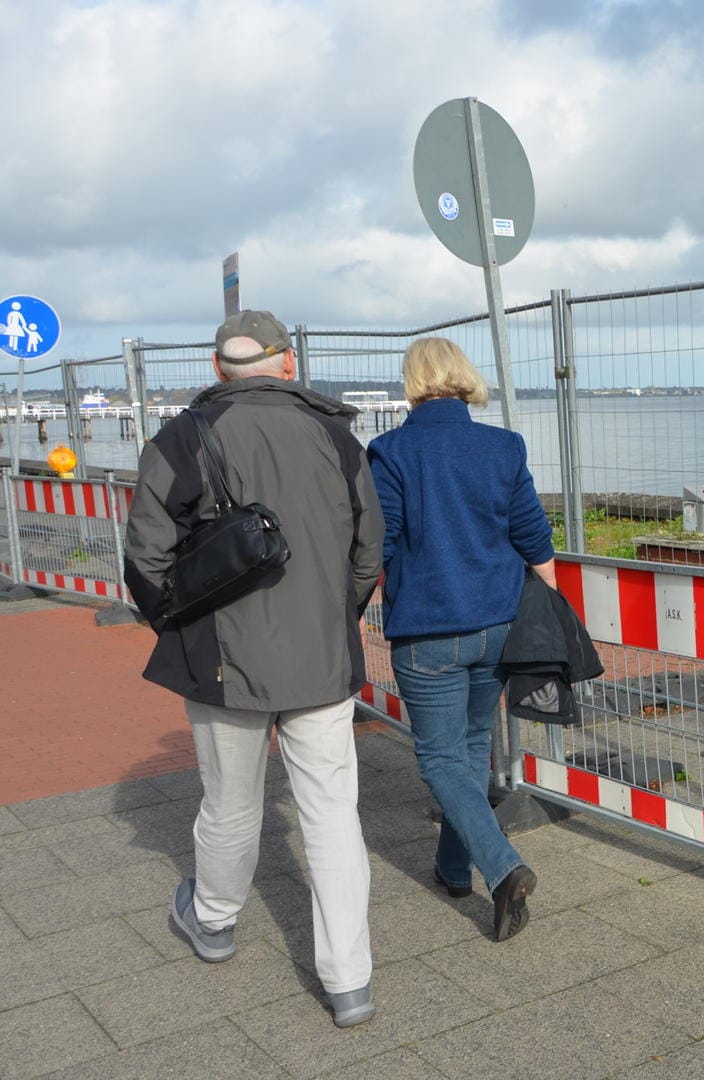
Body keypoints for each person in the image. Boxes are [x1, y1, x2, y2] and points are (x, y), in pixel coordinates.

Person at [123, 310, 383, 1028]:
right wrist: (338, 616)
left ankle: (213, 922)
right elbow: (369, 548)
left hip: (221, 660)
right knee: (331, 813)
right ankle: (349, 979)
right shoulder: (337, 435)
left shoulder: (183, 437)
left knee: (231, 803)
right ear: (288, 364)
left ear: (217, 370)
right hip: (322, 660)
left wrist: (180, 625)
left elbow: (145, 558)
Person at [368, 337, 554, 943]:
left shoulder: (390, 451)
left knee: (442, 758)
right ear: (464, 378)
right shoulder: (503, 446)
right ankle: (453, 868)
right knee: (472, 749)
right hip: (497, 625)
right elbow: (532, 533)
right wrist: (551, 606)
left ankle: (502, 870)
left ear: (413, 382)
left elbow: (382, 542)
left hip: (427, 632)